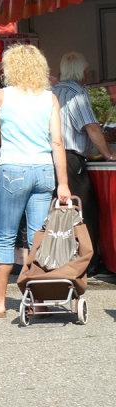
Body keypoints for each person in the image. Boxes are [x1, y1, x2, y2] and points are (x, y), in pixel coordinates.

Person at [0, 44, 71, 318]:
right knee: (37, 238)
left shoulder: (0, 96)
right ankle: (39, 301)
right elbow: (57, 142)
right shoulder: (50, 98)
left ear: (10, 68)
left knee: (5, 237)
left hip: (13, 169)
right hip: (44, 171)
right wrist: (63, 184)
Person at [53, 52, 116, 274]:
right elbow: (91, 127)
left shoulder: (53, 91)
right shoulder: (77, 93)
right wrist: (108, 154)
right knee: (84, 209)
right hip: (71, 159)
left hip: (51, 156)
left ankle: (61, 259)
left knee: (59, 211)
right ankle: (88, 261)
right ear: (81, 71)